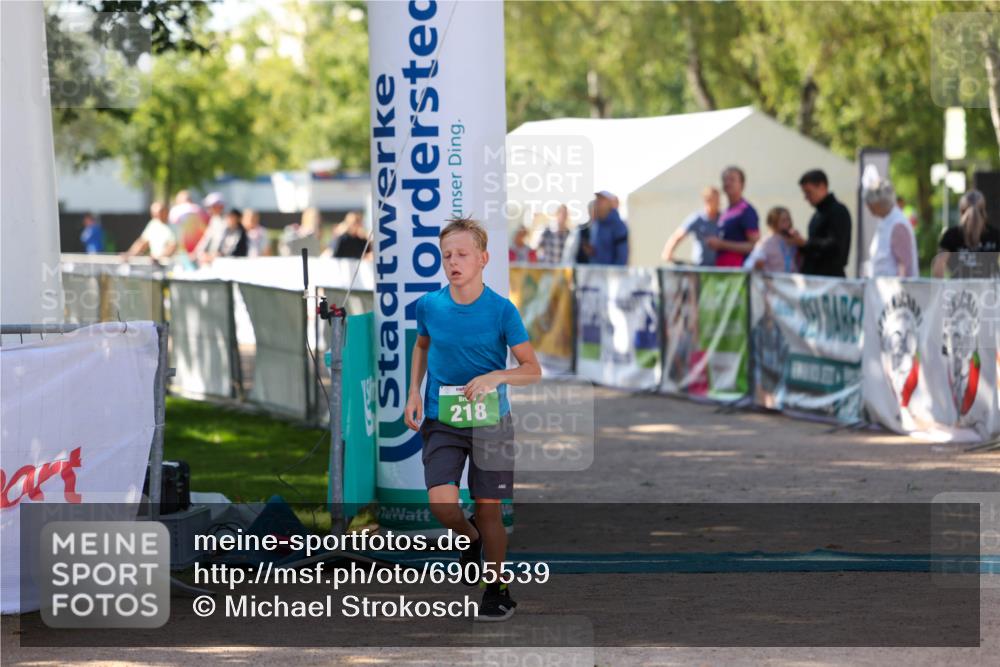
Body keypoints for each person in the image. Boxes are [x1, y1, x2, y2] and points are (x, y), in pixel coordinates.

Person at [404, 217, 541, 621]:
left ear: (483, 259)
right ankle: (469, 537)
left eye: (462, 254)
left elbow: (532, 369)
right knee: (443, 506)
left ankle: (496, 589)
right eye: (447, 255)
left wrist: (496, 376)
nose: (453, 262)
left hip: (490, 422)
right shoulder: (429, 305)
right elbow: (422, 345)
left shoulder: (501, 310)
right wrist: (414, 390)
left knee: (488, 507)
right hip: (442, 420)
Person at [789, 169, 853, 277]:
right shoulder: (818, 214)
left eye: (809, 192)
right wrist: (800, 243)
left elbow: (836, 247)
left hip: (829, 279)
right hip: (815, 278)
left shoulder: (838, 211)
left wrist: (806, 243)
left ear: (822, 186)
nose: (806, 197)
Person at [933, 189, 1000, 279]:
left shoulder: (951, 235)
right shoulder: (995, 234)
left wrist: (941, 290)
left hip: (959, 289)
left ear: (961, 211)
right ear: (984, 212)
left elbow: (938, 267)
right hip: (989, 290)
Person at [862, 179, 918, 278]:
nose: (868, 208)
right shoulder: (885, 220)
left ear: (877, 204)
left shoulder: (898, 225)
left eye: (869, 205)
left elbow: (904, 267)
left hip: (893, 290)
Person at [708, 167, 759, 267]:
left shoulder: (746, 211)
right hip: (723, 269)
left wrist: (721, 244)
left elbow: (754, 246)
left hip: (738, 272)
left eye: (732, 179)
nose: (728, 183)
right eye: (725, 180)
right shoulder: (725, 211)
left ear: (742, 185)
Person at [661, 186, 721, 266]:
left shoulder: (722, 218)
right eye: (712, 199)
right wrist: (668, 252)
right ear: (706, 200)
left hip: (719, 266)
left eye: (717, 199)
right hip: (699, 266)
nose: (717, 203)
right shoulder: (697, 218)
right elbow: (678, 235)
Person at [746, 206, 799, 273]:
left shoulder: (793, 239)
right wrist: (758, 264)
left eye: (788, 220)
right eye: (783, 221)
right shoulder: (766, 242)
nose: (787, 224)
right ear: (773, 223)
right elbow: (750, 264)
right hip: (774, 281)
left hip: (791, 280)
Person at [589, 190, 629, 265]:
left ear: (609, 203)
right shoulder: (596, 224)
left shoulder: (618, 225)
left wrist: (614, 274)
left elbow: (622, 256)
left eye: (601, 200)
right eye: (597, 200)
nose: (598, 203)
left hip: (611, 275)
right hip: (596, 273)